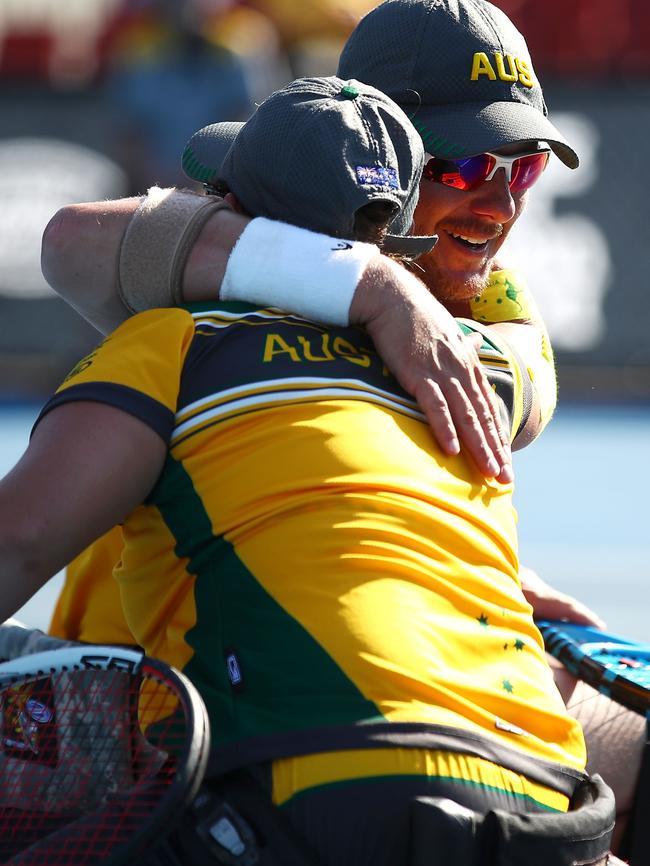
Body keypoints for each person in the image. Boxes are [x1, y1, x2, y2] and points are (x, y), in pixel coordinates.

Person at [39, 0, 644, 855]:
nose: (500, 207)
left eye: (527, 168)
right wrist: (375, 288)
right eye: (467, 165)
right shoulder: (474, 353)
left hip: (331, 791)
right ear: (385, 166)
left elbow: (75, 244)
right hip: (537, 805)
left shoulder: (186, 346)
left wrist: (354, 280)